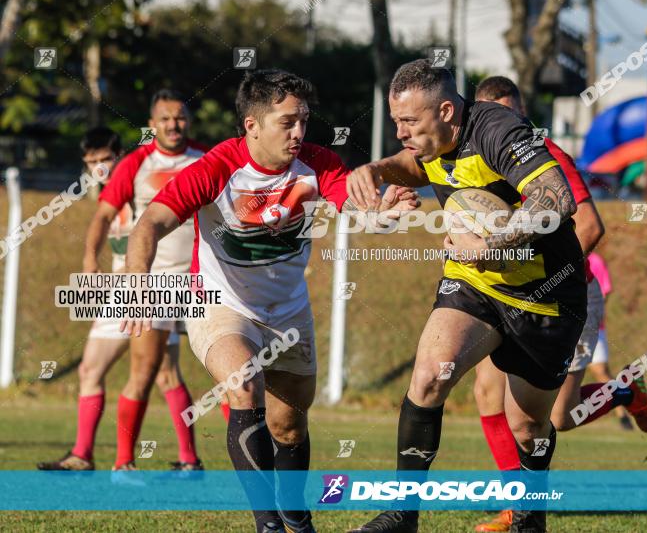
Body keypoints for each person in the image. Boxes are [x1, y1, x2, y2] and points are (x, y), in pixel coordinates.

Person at [121, 69, 418, 533]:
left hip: (289, 312)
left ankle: (297, 519)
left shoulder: (319, 164)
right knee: (243, 383)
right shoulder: (218, 166)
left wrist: (386, 214)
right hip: (221, 304)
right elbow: (150, 224)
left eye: (304, 120)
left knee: (289, 427)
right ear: (252, 125)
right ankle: (269, 527)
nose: (300, 132)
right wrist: (137, 282)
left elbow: (358, 209)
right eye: (287, 122)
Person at [346, 59, 593, 533]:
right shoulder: (431, 138)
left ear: (446, 111)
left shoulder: (498, 129)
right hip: (474, 284)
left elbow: (556, 200)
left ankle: (529, 519)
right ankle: (403, 515)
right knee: (428, 378)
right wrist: (379, 171)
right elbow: (416, 165)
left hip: (545, 296)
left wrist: (491, 244)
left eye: (409, 122)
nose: (400, 132)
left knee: (528, 426)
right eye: (396, 121)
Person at [469, 77, 647, 532]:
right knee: (487, 391)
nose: (499, 126)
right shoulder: (469, 161)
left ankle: (623, 391)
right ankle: (517, 505)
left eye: (509, 115)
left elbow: (590, 227)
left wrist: (545, 281)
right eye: (489, 116)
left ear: (523, 114)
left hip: (563, 294)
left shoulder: (545, 154)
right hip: (505, 293)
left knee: (558, 417)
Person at [37, 124, 203, 472]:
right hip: (120, 290)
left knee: (161, 375)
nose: (99, 167)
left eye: (105, 159)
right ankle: (84, 454)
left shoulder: (136, 181)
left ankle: (183, 461)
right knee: (92, 368)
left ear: (120, 157)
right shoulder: (107, 194)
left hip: (151, 288)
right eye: (91, 162)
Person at [93, 90, 208, 474]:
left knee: (230, 373)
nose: (174, 125)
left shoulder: (207, 159)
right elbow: (103, 214)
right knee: (144, 372)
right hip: (151, 284)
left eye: (180, 118)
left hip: (201, 281)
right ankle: (124, 463)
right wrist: (88, 257)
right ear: (152, 125)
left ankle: (194, 461)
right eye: (165, 119)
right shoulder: (137, 163)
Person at [583, 253, 634, 431]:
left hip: (591, 328)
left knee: (601, 371)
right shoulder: (561, 253)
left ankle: (623, 414)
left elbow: (604, 292)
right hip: (565, 327)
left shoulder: (595, 261)